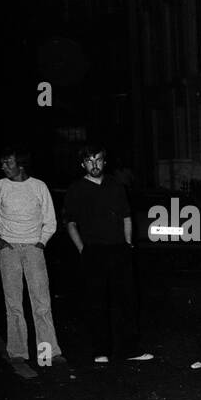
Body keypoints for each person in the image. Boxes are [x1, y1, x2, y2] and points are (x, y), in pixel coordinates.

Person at [63, 144, 153, 364]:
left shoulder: (116, 186)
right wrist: (82, 248)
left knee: (127, 301)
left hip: (119, 249)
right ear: (83, 164)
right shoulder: (76, 189)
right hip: (93, 250)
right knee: (97, 302)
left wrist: (128, 244)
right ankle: (100, 351)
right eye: (90, 161)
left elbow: (126, 217)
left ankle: (131, 349)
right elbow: (70, 222)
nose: (95, 165)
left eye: (99, 160)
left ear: (105, 161)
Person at [0, 148, 63, 367]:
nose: (4, 166)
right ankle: (18, 352)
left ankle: (48, 352)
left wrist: (41, 242)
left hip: (34, 248)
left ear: (21, 165)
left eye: (8, 162)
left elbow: (50, 219)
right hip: (9, 250)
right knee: (13, 303)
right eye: (3, 163)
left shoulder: (38, 186)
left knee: (41, 303)